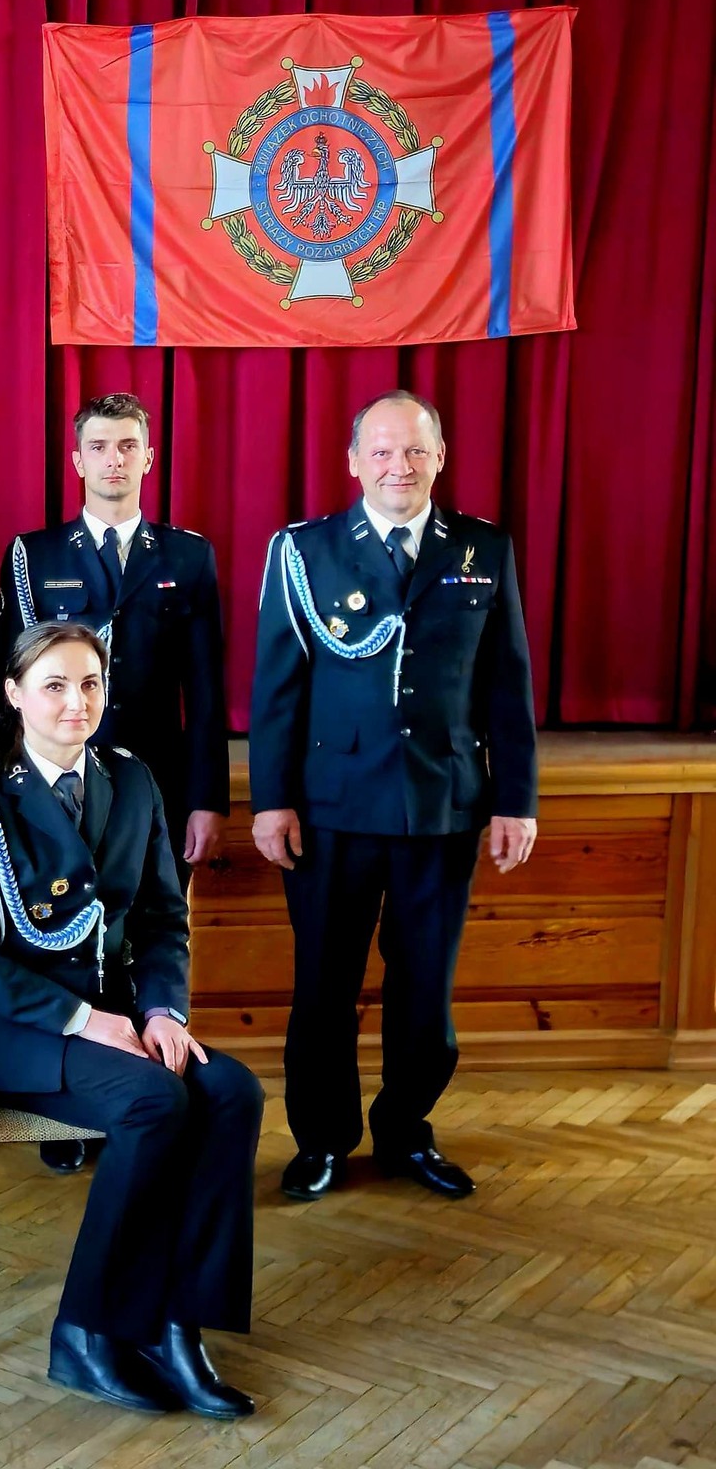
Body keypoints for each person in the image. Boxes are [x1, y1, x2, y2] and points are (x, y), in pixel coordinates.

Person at [0, 622, 261, 1418]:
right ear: (14, 695)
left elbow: (159, 915)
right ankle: (85, 1333)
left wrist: (162, 1009)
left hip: (116, 1014)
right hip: (8, 1025)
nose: (76, 702)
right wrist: (85, 1019)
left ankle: (175, 1324)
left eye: (90, 684)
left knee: (233, 1092)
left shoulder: (133, 779)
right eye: (54, 685)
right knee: (155, 1102)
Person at [251, 390, 538, 1203]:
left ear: (440, 458)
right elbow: (276, 686)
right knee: (324, 990)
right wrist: (272, 800)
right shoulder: (306, 553)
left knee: (425, 992)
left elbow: (506, 688)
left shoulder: (482, 548)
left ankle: (407, 1131)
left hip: (442, 807)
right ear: (353, 463)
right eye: (381, 452)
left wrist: (517, 800)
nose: (398, 467)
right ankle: (324, 1140)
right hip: (331, 809)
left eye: (414, 451)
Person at [0, 391, 230, 1174]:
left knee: (136, 935)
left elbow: (207, 687)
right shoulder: (36, 554)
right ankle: (75, 1100)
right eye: (99, 447)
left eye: (129, 446)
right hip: (55, 780)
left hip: (148, 787)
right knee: (58, 933)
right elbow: (16, 673)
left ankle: (140, 1088)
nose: (115, 460)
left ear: (149, 457)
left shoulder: (187, 555)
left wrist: (207, 797)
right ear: (77, 460)